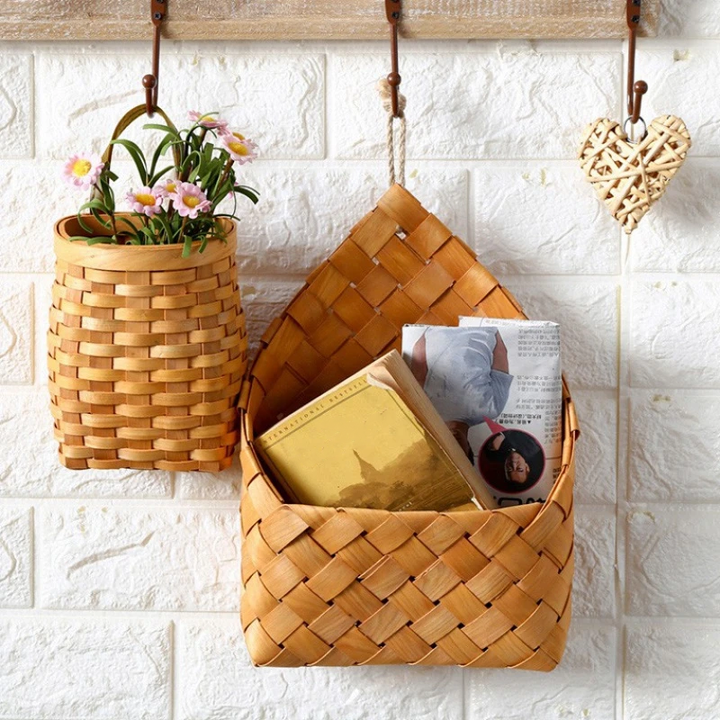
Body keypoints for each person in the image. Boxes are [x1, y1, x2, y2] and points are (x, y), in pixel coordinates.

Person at [409, 326, 513, 462]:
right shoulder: (491, 409)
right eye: (459, 452)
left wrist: (428, 331)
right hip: (481, 330)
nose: (454, 444)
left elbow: (419, 368)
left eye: (446, 448)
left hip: (437, 331)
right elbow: (501, 357)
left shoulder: (425, 410)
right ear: (469, 450)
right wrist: (492, 330)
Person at [480, 429, 545, 493]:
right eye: (519, 469)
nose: (513, 464)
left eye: (509, 470)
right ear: (527, 467)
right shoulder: (533, 446)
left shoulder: (493, 455)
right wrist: (502, 435)